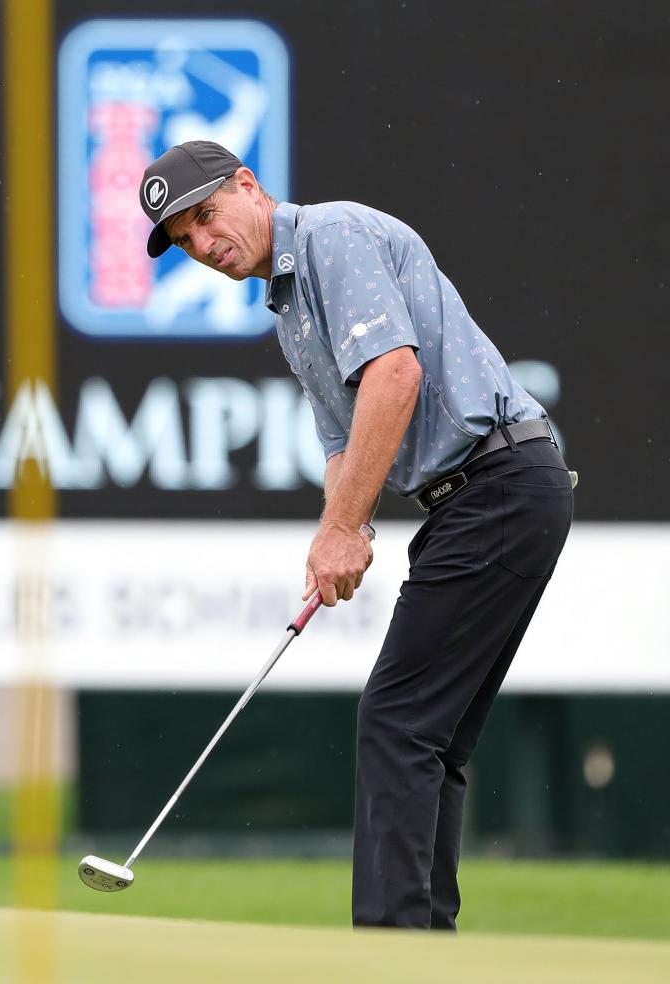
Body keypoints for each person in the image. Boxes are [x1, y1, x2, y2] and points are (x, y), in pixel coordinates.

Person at [138, 140, 575, 930]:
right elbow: (344, 446)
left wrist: (346, 528)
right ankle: (420, 946)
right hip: (482, 501)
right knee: (427, 739)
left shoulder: (332, 236)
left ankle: (390, 953)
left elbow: (395, 374)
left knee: (398, 720)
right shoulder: (287, 309)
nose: (203, 244)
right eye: (184, 239)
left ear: (249, 185)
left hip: (500, 488)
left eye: (206, 216)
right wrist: (334, 533)